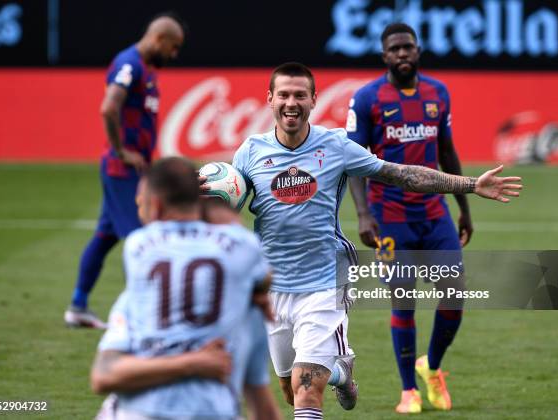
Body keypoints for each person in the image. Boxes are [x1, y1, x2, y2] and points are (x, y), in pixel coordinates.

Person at [201, 62, 521, 420]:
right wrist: (197, 202)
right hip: (273, 285)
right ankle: (341, 372)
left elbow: (402, 175)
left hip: (325, 281)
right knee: (290, 389)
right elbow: (225, 205)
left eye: (300, 95)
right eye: (284, 95)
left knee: (307, 394)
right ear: (270, 99)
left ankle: (326, 374)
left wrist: (470, 184)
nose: (292, 103)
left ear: (313, 100)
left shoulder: (336, 145)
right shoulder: (249, 152)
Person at [346, 22, 475, 413]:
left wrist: (464, 207)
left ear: (418, 52)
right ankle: (408, 392)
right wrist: (364, 215)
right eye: (395, 49)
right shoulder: (366, 98)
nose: (402, 54)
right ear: (384, 56)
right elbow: (354, 164)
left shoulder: (439, 93)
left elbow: (447, 153)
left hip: (434, 214)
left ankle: (431, 367)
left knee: (454, 297)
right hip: (389, 217)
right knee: (403, 301)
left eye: (408, 47)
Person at [90, 157, 281, 420]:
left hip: (142, 410)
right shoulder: (244, 253)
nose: (137, 206)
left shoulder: (138, 247)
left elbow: (103, 376)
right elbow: (262, 274)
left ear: (155, 206)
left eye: (141, 200)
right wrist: (257, 292)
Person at [64, 14, 185, 328]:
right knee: (141, 241)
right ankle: (144, 315)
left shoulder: (144, 69)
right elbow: (108, 107)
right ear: (159, 39)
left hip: (130, 168)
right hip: (121, 170)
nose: (174, 55)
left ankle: (78, 305)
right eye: (173, 48)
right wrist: (121, 150)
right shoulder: (129, 64)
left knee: (104, 237)